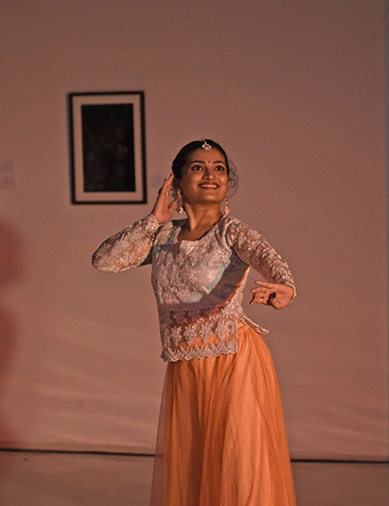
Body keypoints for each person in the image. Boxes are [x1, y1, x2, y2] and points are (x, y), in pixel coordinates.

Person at [92, 139, 297, 506]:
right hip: (186, 368)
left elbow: (273, 264)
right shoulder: (163, 237)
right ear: (176, 180)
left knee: (239, 467)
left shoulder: (234, 233)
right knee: (197, 469)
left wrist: (284, 289)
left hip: (235, 362)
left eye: (219, 168)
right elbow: (105, 260)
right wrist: (155, 218)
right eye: (198, 167)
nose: (210, 175)